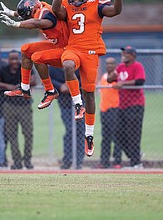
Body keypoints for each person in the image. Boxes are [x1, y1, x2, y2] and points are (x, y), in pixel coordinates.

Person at [52, 0, 122, 157]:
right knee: (68, 65)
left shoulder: (96, 6)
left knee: (89, 93)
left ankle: (89, 135)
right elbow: (56, 10)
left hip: (91, 52)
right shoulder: (68, 7)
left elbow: (116, 10)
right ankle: (78, 104)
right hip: (73, 49)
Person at [0, 0, 69, 109]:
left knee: (37, 57)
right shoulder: (39, 7)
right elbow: (27, 11)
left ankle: (50, 91)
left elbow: (36, 22)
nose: (26, 19)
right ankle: (24, 88)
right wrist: (12, 13)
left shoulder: (46, 15)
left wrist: (17, 24)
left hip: (67, 49)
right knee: (26, 49)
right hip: (57, 44)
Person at [0, 50, 36, 169]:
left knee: (28, 134)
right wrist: (7, 86)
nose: (14, 61)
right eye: (12, 59)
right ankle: (17, 161)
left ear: (20, 59)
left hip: (25, 105)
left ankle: (27, 160)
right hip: (9, 106)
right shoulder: (3, 70)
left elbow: (34, 80)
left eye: (16, 59)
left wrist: (22, 85)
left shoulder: (25, 68)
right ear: (8, 60)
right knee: (12, 135)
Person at [107, 46, 146, 168]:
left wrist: (123, 83)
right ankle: (135, 155)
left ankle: (136, 163)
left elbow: (140, 81)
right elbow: (110, 80)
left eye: (126, 53)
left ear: (132, 55)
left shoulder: (137, 66)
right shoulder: (120, 67)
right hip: (122, 105)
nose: (123, 55)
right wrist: (111, 76)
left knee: (133, 133)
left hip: (135, 105)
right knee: (118, 133)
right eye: (123, 53)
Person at [49, 66, 85, 169]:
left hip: (80, 102)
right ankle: (67, 159)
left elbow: (84, 77)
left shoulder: (77, 64)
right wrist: (60, 86)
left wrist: (71, 85)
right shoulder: (53, 66)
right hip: (65, 103)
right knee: (70, 130)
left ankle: (78, 161)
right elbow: (47, 80)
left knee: (80, 130)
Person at [99, 57, 121, 169]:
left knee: (116, 137)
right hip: (104, 110)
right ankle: (104, 161)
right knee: (105, 137)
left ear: (115, 65)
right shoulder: (103, 77)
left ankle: (117, 161)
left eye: (111, 64)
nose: (109, 66)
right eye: (107, 64)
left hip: (115, 109)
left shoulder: (117, 77)